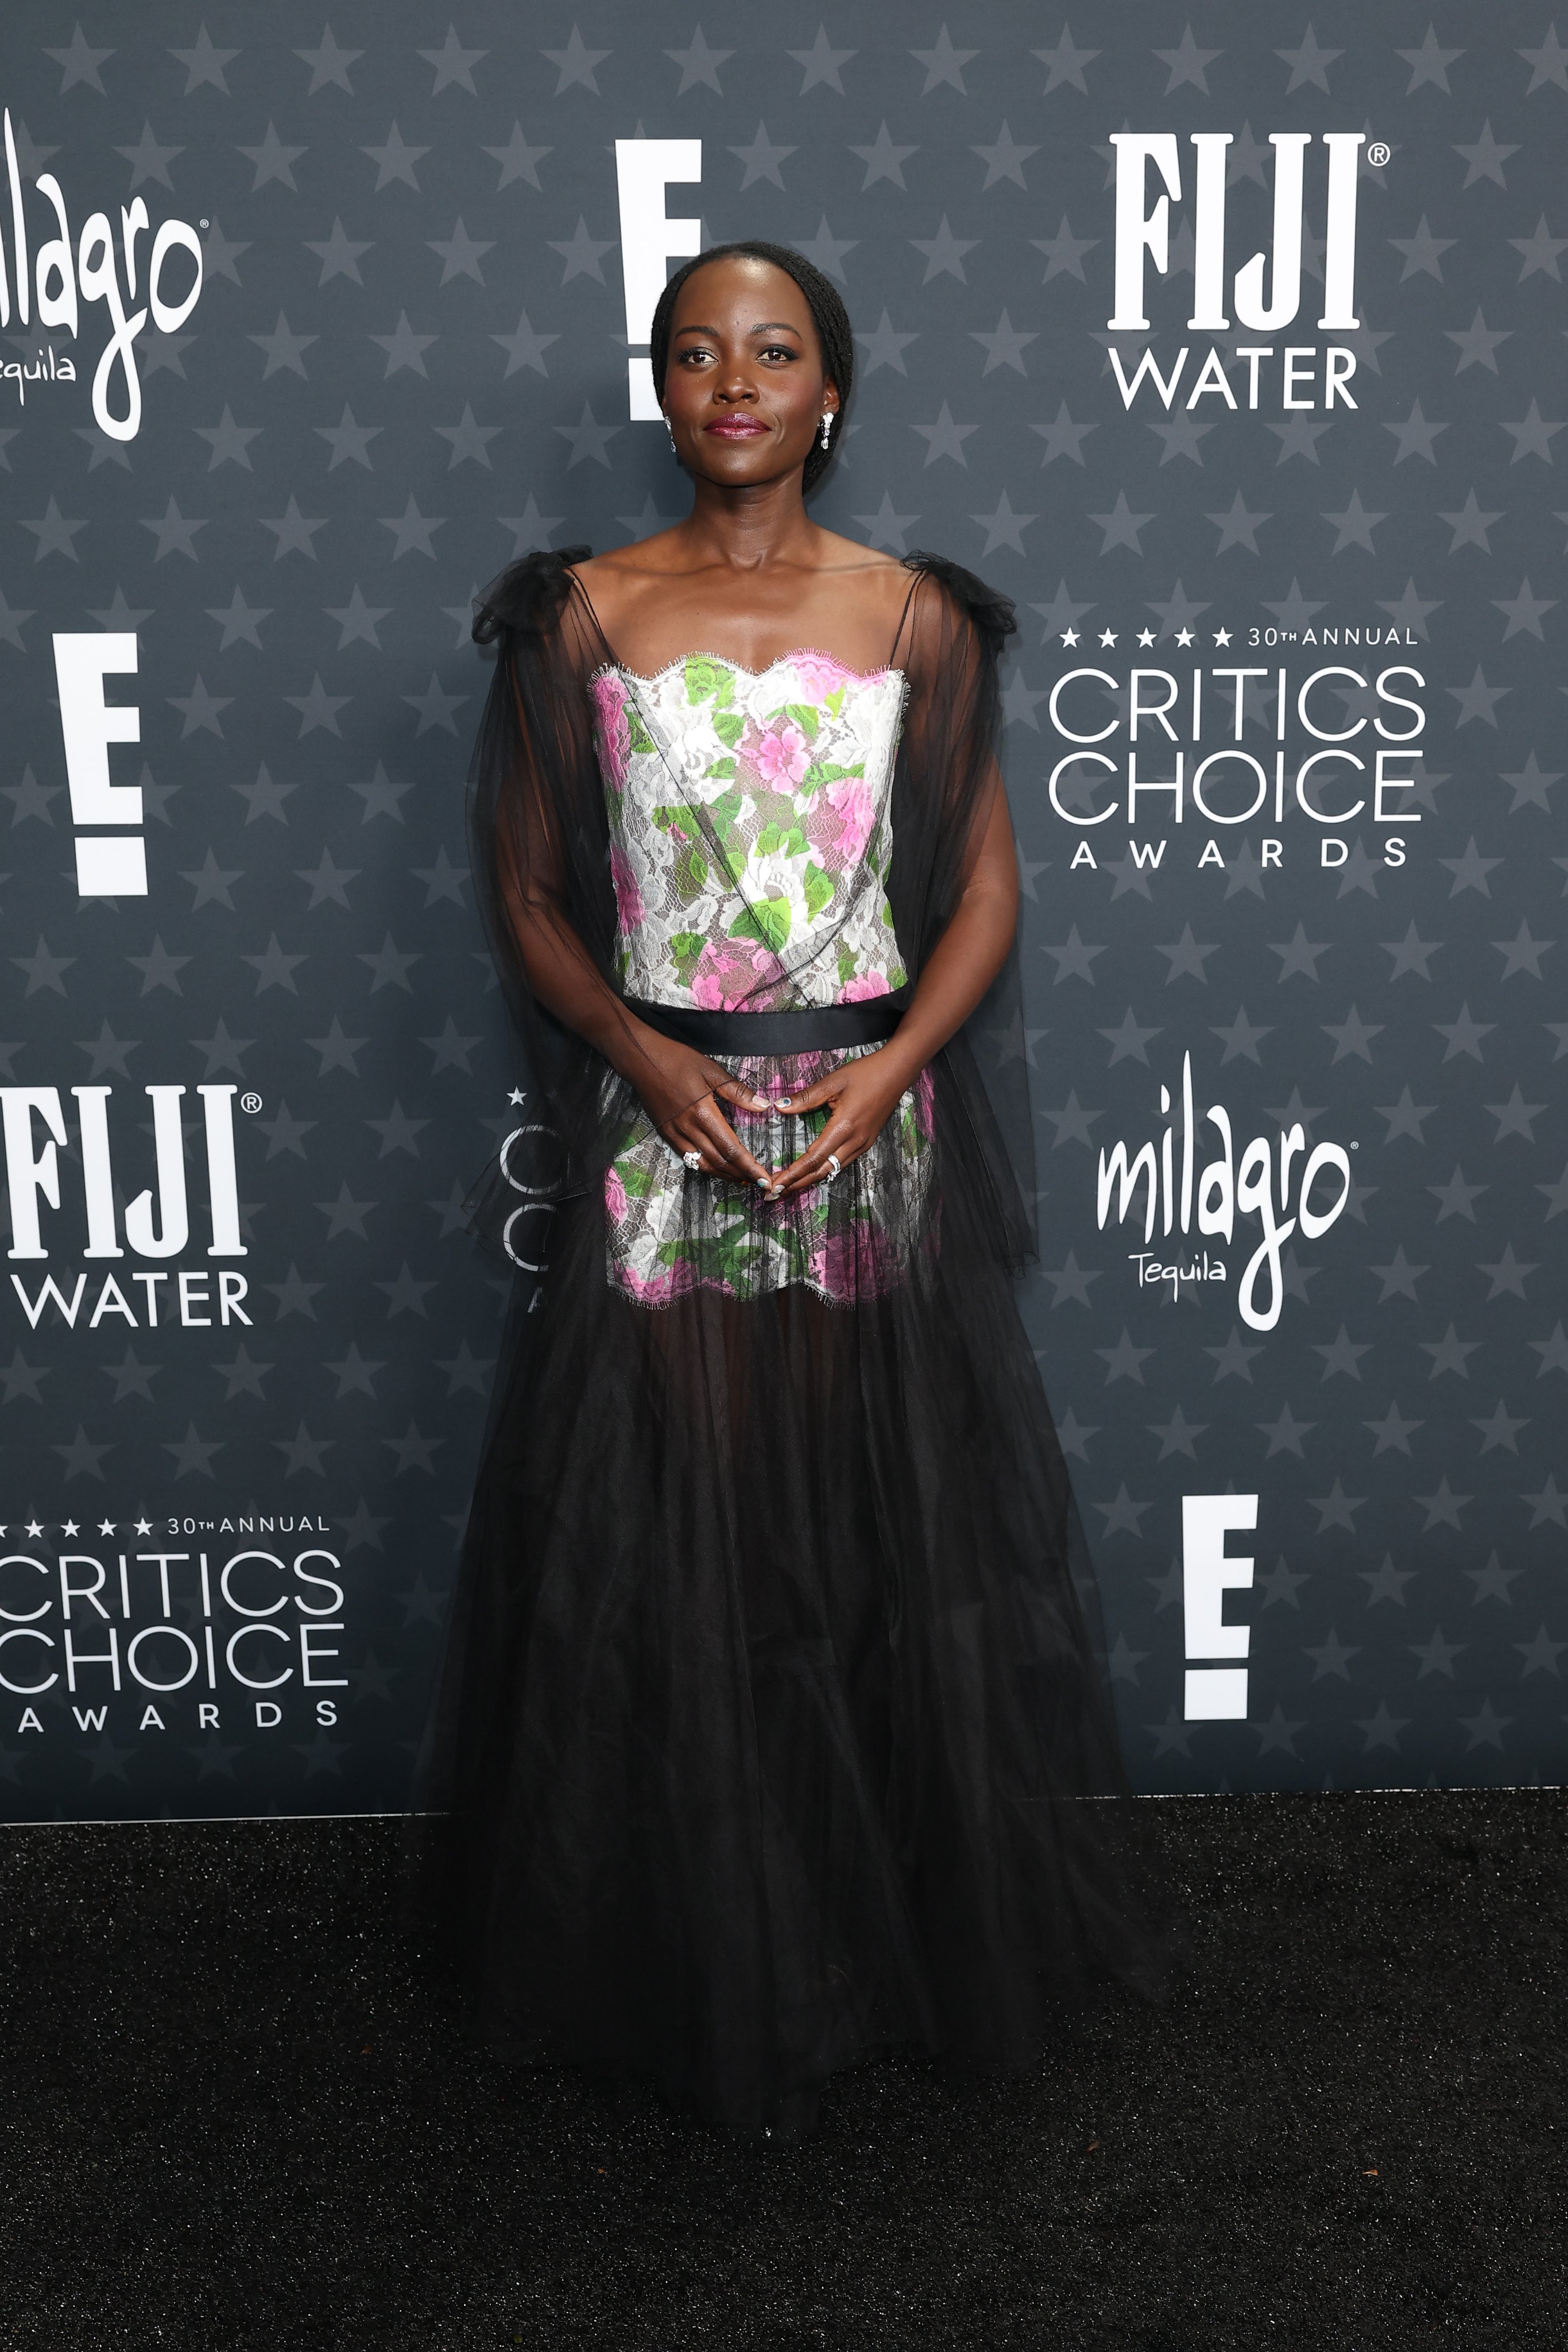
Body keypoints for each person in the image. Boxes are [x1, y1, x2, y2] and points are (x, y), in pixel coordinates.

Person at [412, 240, 1176, 2145]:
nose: (733, 380)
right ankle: (692, 1944)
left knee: (854, 1540)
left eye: (772, 350)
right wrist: (646, 1061)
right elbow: (527, 894)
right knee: (675, 1537)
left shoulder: (916, 616)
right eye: (696, 351)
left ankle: (866, 1941)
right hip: (661, 1132)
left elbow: (982, 886)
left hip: (861, 1127)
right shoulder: (579, 617)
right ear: (661, 390)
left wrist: (890, 1075)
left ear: (830, 391)